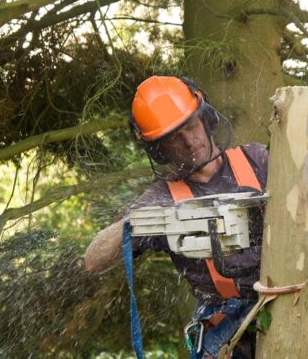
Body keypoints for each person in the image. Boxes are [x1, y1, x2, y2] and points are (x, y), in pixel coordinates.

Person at [84, 76, 268, 358]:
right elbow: (93, 260)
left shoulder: (257, 160)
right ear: (159, 150)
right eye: (173, 139)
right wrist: (137, 222)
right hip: (227, 322)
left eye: (191, 127)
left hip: (281, 294)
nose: (188, 141)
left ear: (205, 119)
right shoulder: (162, 198)